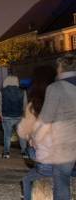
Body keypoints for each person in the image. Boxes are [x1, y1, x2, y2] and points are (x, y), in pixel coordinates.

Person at [35, 54, 76, 200]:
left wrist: (36, 138)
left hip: (66, 142)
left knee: (62, 180)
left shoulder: (55, 87)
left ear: (60, 68)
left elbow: (46, 118)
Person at [17, 64, 58, 200]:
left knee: (27, 180)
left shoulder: (35, 105)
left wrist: (30, 140)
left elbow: (22, 132)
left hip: (47, 161)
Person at [0, 74, 27, 158]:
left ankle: (6, 153)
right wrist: (24, 115)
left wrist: (0, 114)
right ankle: (24, 152)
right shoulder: (22, 91)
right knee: (21, 135)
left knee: (7, 135)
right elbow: (25, 105)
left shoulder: (1, 91)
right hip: (19, 116)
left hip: (6, 116)